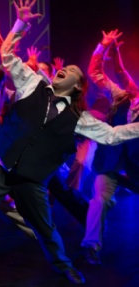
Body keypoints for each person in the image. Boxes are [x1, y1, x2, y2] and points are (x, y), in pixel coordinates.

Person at [0, 1, 139, 287]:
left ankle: (63, 264)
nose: (62, 70)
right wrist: (20, 24)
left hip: (30, 180)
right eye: (62, 69)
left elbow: (111, 135)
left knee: (45, 228)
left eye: (70, 71)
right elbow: (7, 55)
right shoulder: (33, 83)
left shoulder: (80, 119)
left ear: (77, 86)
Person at [81, 29, 139, 265]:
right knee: (99, 199)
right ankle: (91, 245)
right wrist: (105, 47)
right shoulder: (122, 97)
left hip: (136, 169)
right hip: (112, 164)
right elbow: (96, 73)